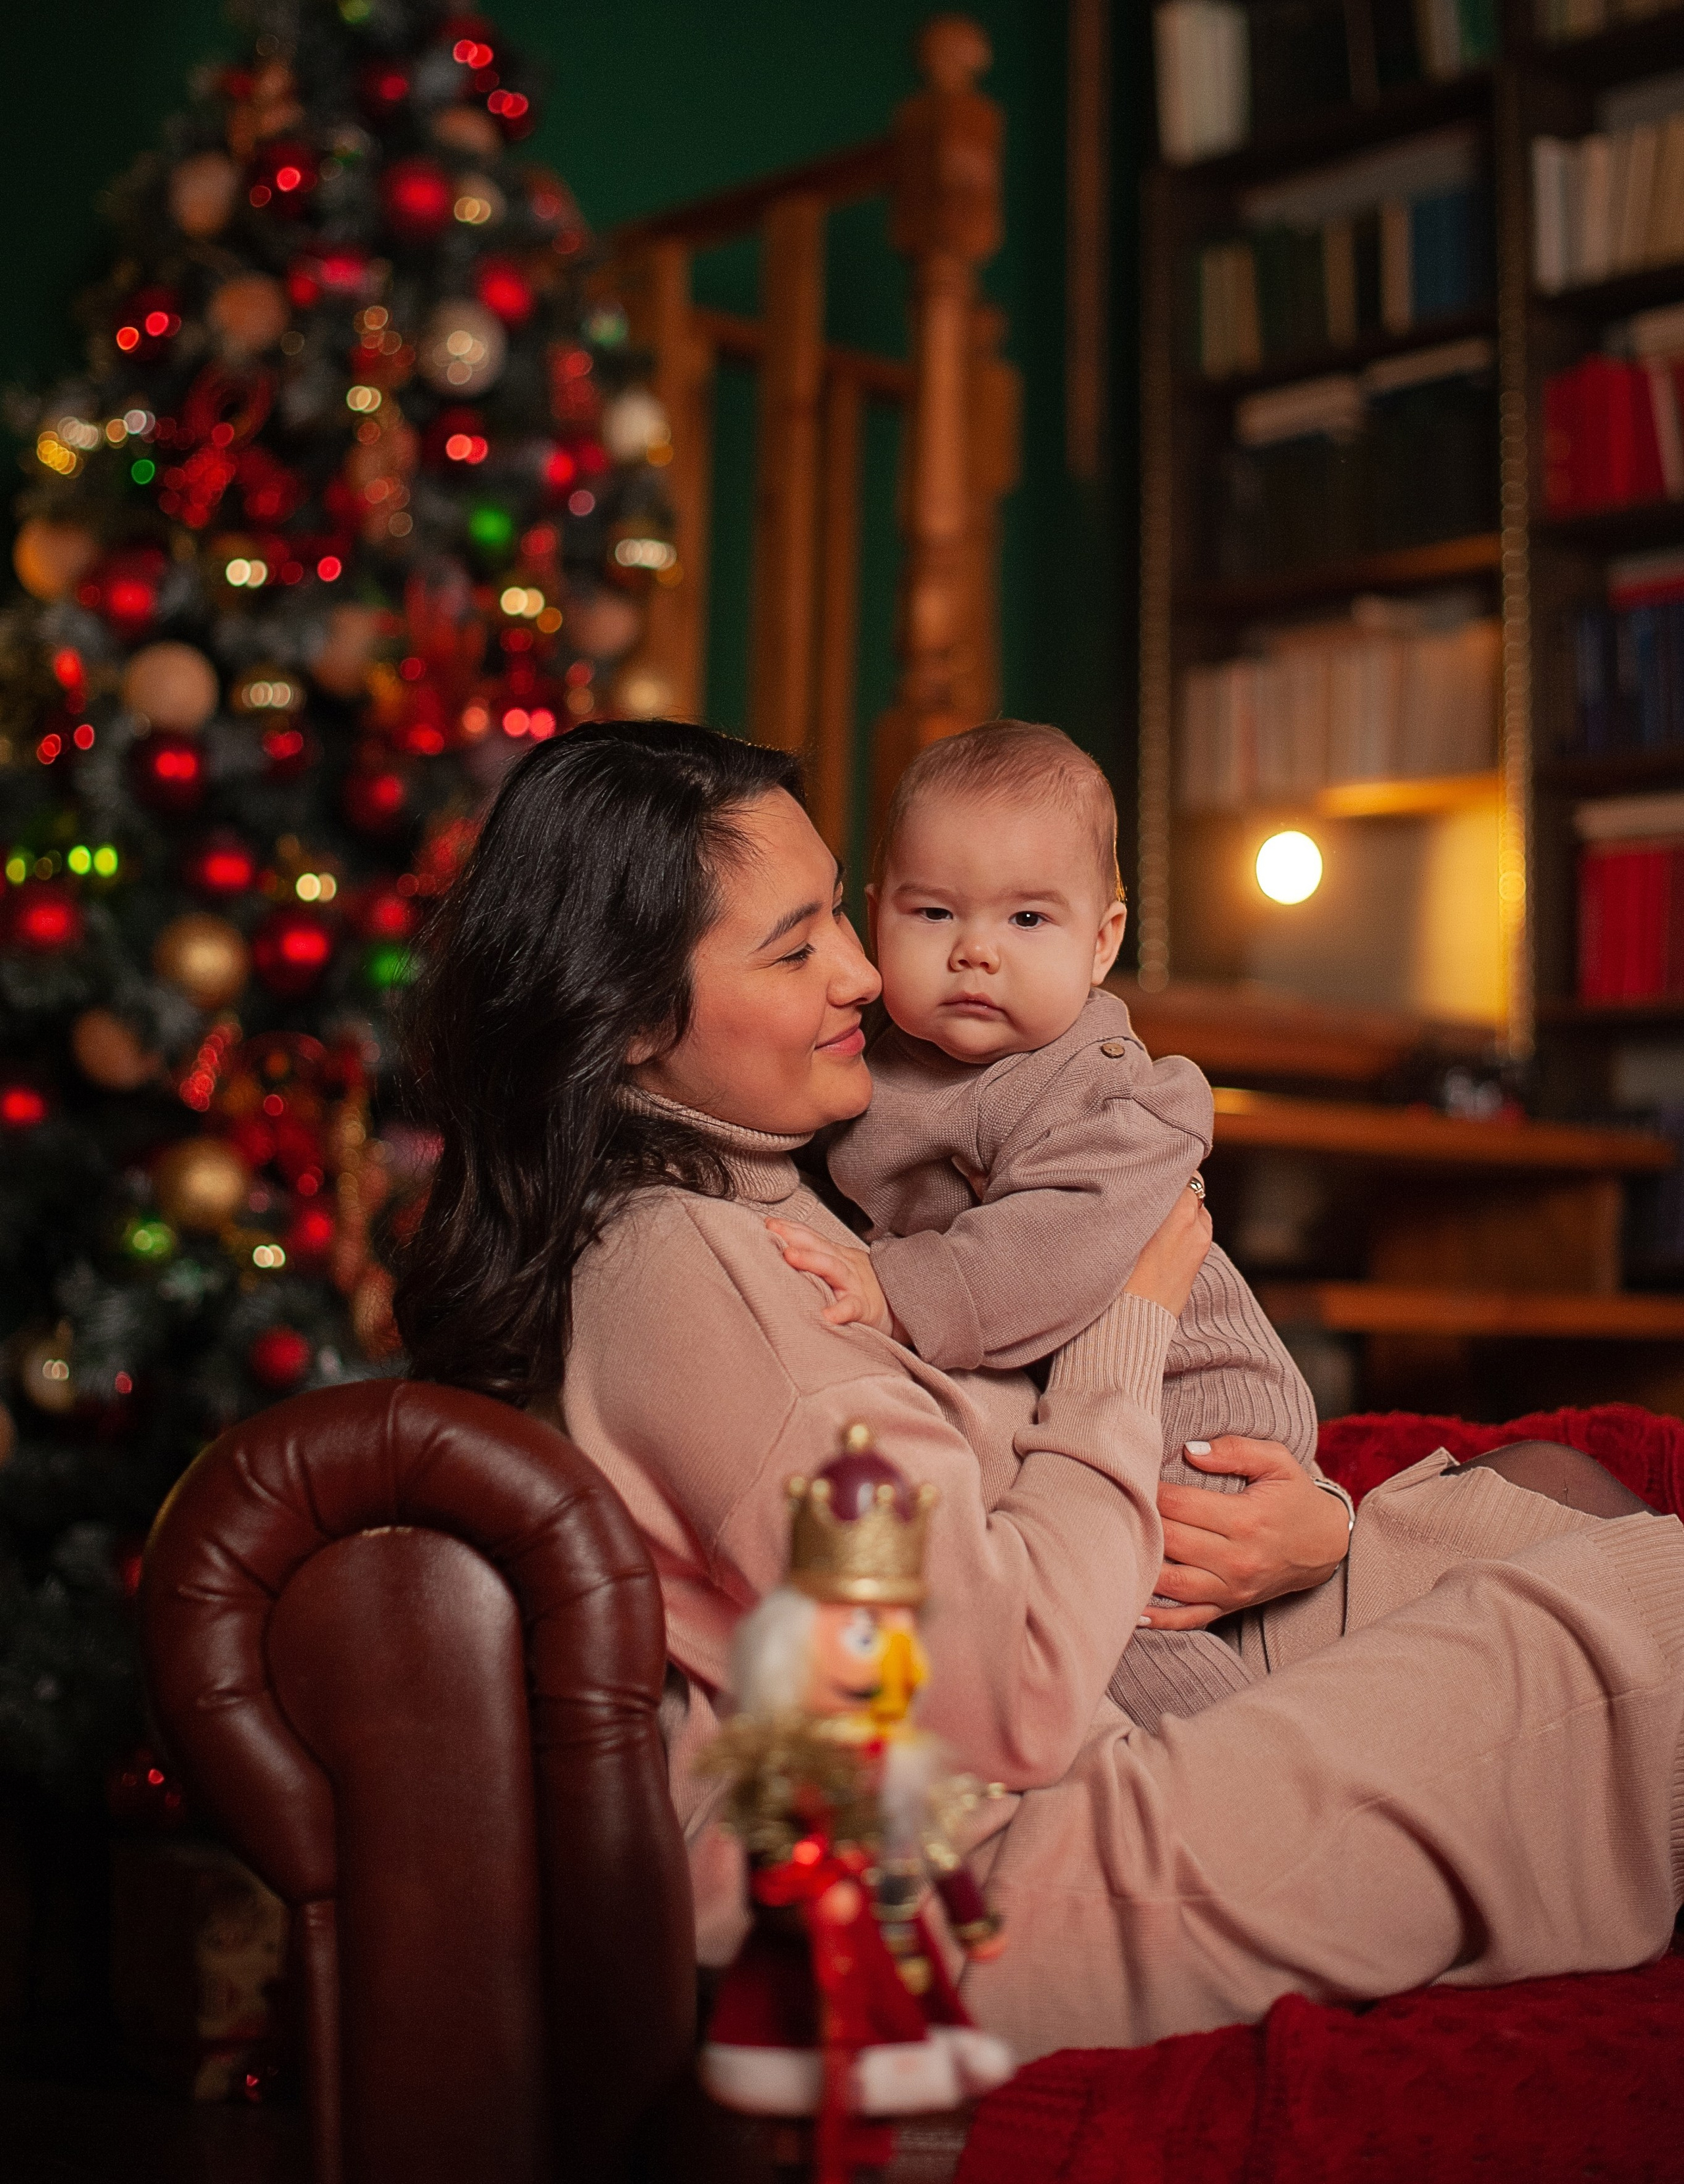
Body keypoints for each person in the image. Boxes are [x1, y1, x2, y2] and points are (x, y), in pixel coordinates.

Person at [397, 721, 1684, 2062]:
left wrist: (1306, 1527)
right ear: (621, 1018)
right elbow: (1001, 1687)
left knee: (1529, 1521)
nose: (857, 969)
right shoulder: (692, 1281)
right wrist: (1126, 1313)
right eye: (791, 949)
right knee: (1643, 1614)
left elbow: (992, 1443)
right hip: (970, 1876)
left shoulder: (793, 1167)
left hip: (1094, 1685)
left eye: (841, 906)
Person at [764, 718, 1353, 1729]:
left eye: (1029, 920)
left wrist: (895, 1291)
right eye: (935, 912)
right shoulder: (872, 1061)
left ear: (1103, 942)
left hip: (1193, 1410)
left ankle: (1250, 1768)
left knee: (1143, 1640)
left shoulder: (1099, 1088)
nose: (976, 953)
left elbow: (1055, 1248)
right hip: (1070, 1411)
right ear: (876, 917)